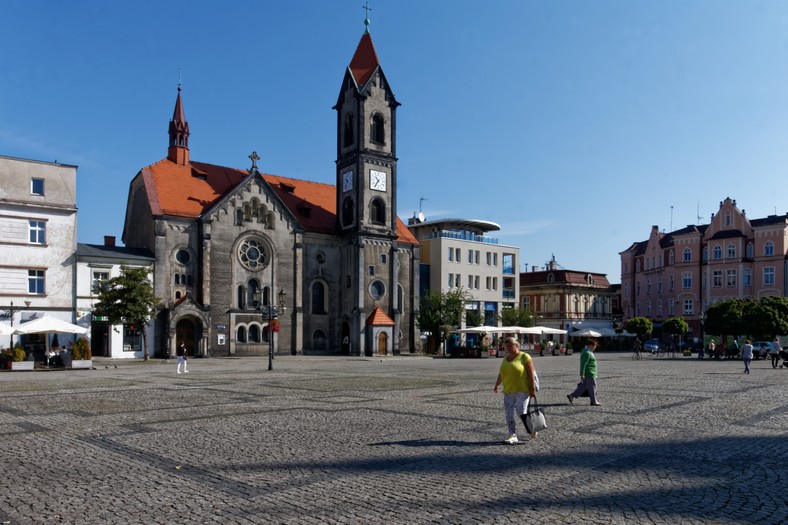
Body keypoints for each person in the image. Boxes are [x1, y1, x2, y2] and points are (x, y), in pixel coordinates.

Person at [493, 337, 536, 445]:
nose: (507, 348)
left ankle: (532, 428)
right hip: (508, 390)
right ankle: (512, 435)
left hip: (522, 390)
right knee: (509, 414)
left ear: (516, 345)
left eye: (509, 346)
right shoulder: (506, 358)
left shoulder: (524, 357)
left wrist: (533, 389)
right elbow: (502, 373)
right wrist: (497, 384)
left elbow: (531, 374)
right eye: (506, 346)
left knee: (521, 412)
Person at [567, 339, 601, 406]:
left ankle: (572, 396)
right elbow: (583, 364)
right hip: (589, 372)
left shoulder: (587, 351)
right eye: (595, 346)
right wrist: (582, 374)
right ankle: (593, 401)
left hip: (589, 372)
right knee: (593, 387)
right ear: (591, 345)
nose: (595, 348)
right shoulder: (587, 353)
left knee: (583, 386)